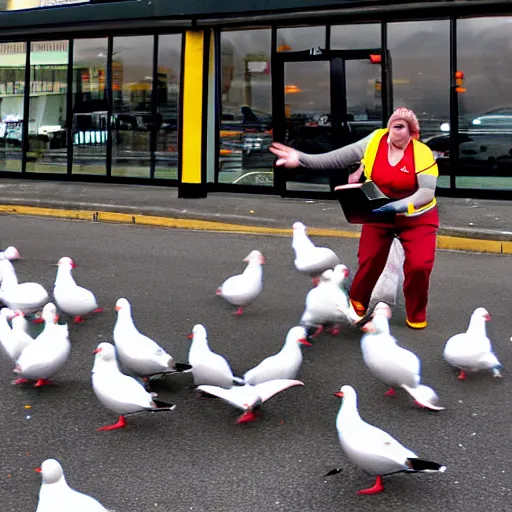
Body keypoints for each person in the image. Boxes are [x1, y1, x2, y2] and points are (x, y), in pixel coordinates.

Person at [269, 107, 439, 329]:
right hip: (378, 212)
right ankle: (355, 306)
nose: (393, 132)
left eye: (400, 127)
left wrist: (396, 207)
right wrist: (301, 159)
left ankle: (416, 312)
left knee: (420, 265)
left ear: (411, 131)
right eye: (391, 126)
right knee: (369, 261)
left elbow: (426, 193)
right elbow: (336, 158)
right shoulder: (375, 140)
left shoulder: (421, 152)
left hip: (416, 216)